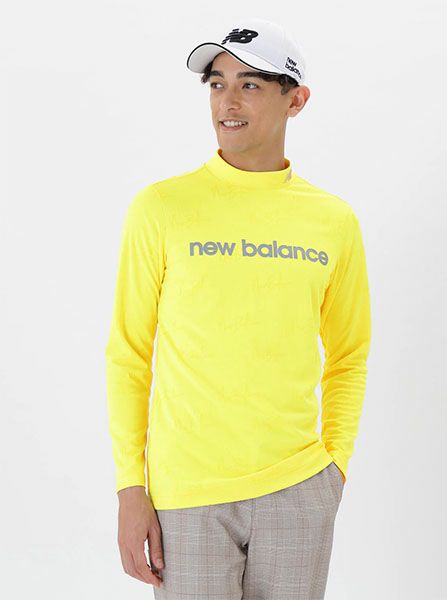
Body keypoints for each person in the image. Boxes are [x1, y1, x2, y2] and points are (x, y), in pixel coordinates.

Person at [104, 16, 372, 599]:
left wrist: (335, 468)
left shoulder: (333, 221)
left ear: (295, 100)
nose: (228, 101)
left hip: (299, 487)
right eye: (216, 83)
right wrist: (130, 487)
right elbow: (129, 354)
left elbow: (349, 355)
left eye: (250, 84)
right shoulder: (161, 208)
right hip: (187, 497)